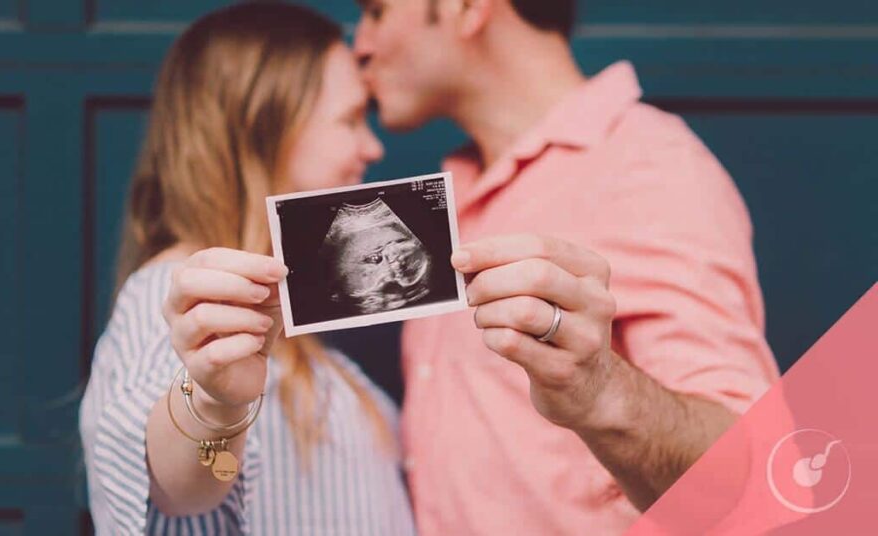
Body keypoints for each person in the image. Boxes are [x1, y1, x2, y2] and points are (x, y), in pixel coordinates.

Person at [353, 0, 781, 533]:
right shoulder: (447, 197)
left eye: (375, 11)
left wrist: (598, 390)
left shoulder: (647, 167)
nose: (360, 45)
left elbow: (744, 476)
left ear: (468, 8)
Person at [79, 3, 415, 534]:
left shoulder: (296, 334)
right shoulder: (178, 303)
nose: (371, 146)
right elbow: (181, 488)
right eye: (350, 119)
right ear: (263, 126)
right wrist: (215, 403)